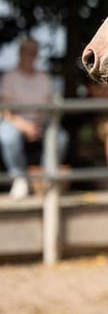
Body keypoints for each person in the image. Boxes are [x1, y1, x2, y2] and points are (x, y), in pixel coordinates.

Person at [0, 38, 68, 199]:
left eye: (34, 53)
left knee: (61, 138)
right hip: (16, 122)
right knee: (7, 136)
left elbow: (50, 105)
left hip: (41, 123)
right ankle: (20, 178)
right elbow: (5, 110)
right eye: (27, 52)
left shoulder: (44, 78)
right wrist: (24, 125)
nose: (30, 56)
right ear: (20, 53)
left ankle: (45, 178)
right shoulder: (10, 77)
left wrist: (38, 124)